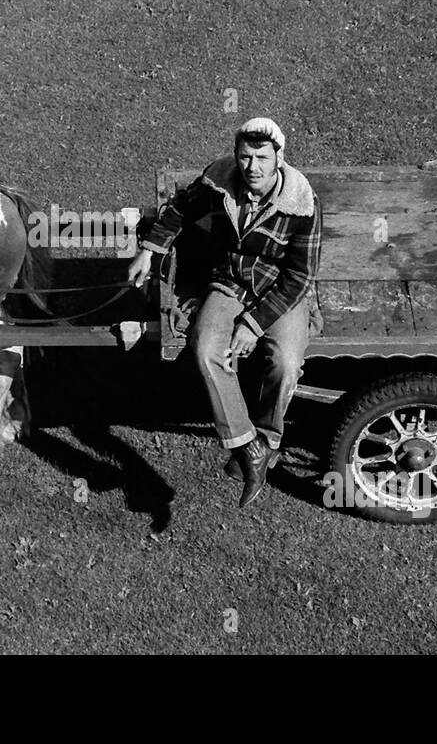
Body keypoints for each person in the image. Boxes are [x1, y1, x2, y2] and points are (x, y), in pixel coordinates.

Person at [128, 117, 322, 508]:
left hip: (281, 291)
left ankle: (267, 438)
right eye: (245, 157)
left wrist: (253, 324)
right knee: (204, 348)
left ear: (278, 158)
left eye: (262, 158)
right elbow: (180, 209)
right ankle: (247, 446)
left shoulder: (302, 204)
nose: (252, 167)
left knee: (285, 361)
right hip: (229, 283)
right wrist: (150, 250)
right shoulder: (219, 181)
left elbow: (299, 276)